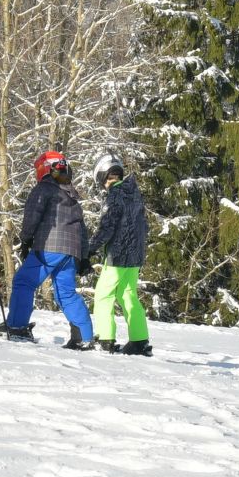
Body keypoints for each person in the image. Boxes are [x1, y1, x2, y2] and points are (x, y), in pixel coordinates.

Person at [1, 149, 94, 349]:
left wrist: (25, 241)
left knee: (24, 282)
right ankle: (84, 336)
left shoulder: (43, 189)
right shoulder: (72, 197)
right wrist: (84, 257)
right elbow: (82, 229)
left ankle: (17, 327)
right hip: (70, 252)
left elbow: (32, 216)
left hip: (49, 247)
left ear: (45, 170)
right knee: (66, 293)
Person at [85, 152, 151, 355]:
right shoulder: (134, 194)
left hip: (117, 256)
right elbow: (143, 225)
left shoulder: (114, 195)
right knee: (128, 294)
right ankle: (139, 340)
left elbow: (107, 227)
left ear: (104, 177)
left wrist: (89, 249)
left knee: (104, 295)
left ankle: (105, 339)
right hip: (135, 256)